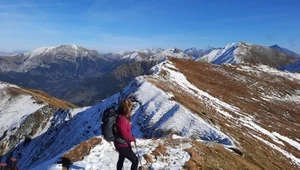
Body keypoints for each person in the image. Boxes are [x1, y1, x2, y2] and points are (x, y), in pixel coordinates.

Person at [114, 99, 138, 170]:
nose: (131, 110)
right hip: (122, 144)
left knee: (121, 159)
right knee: (135, 160)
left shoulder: (121, 116)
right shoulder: (122, 119)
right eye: (130, 108)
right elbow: (124, 133)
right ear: (127, 108)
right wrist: (132, 138)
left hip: (120, 143)